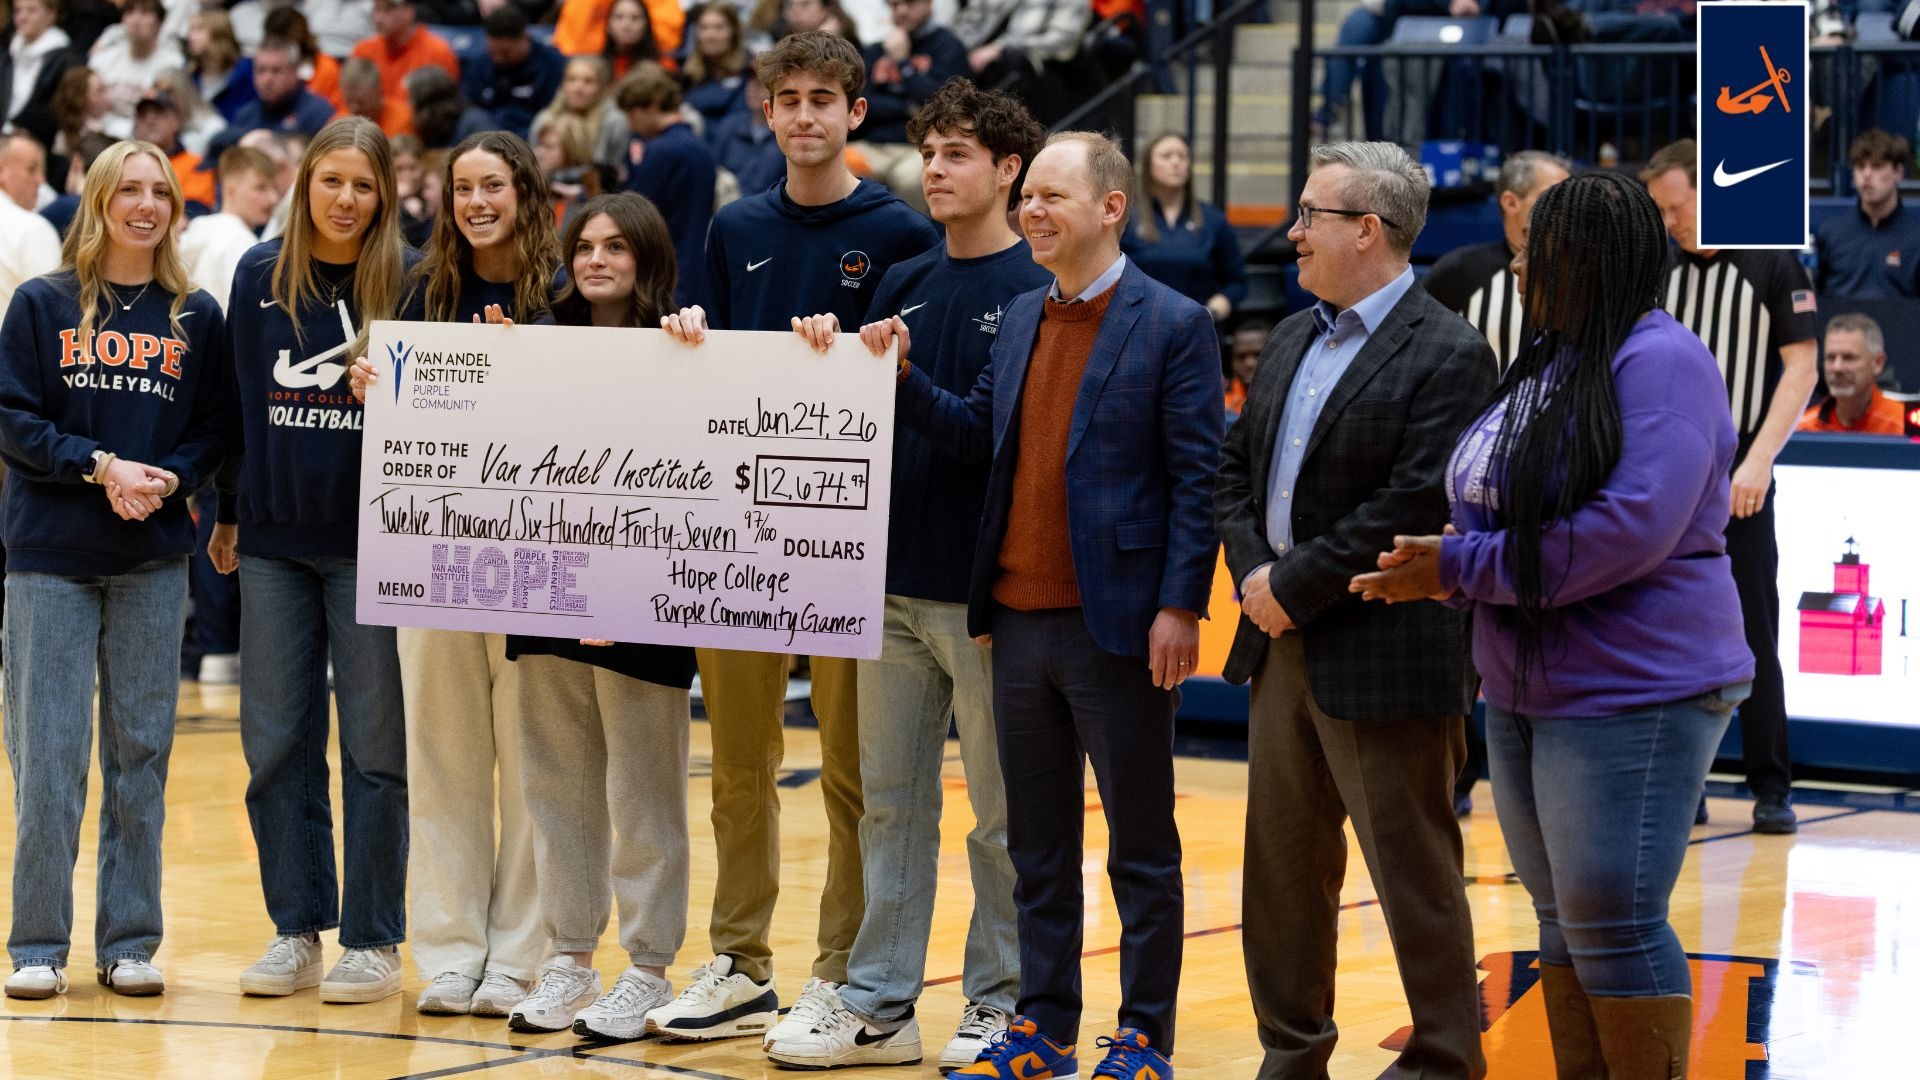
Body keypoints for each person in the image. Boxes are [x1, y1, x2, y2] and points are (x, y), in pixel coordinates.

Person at [1353, 170, 1757, 1080]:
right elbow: (1501, 500)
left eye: (1544, 251)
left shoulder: (1664, 361)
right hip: (1529, 681)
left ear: (1597, 262)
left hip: (1637, 684)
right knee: (1562, 922)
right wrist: (1450, 554)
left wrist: (1455, 568)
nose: (1524, 267)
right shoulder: (1553, 358)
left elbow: (1628, 531)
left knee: (1612, 917)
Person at [863, 129, 1219, 1080]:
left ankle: (1144, 1035)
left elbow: (1198, 480)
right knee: (1040, 850)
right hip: (1015, 621)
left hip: (1121, 629)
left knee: (1142, 849)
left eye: (1054, 196)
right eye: (1032, 198)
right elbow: (980, 431)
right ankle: (1045, 1030)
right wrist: (900, 379)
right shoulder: (1022, 316)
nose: (1034, 210)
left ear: (1111, 207)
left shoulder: (1173, 321)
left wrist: (1181, 606)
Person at [647, 29, 939, 1046]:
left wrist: (850, 356)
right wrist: (690, 339)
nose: (807, 115)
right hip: (741, 538)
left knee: (857, 770)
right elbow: (717, 367)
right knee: (739, 761)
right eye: (789, 98)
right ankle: (739, 961)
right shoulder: (734, 228)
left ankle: (845, 971)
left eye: (826, 97)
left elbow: (911, 386)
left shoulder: (903, 232)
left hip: (855, 545)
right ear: (764, 111)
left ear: (858, 112)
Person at [764, 77, 1046, 1073]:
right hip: (881, 586)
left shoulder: (1033, 292)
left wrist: (898, 377)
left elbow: (984, 437)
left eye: (959, 154)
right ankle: (880, 1004)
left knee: (1003, 817)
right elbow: (854, 421)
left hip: (983, 598)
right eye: (928, 153)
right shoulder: (904, 281)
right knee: (891, 802)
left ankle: (998, 1001)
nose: (935, 169)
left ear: (1010, 170)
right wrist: (820, 367)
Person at [1214, 141, 1492, 1080]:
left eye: (1309, 216)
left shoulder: (1452, 348)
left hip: (1383, 646)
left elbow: (1415, 501)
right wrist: (1258, 574)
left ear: (1367, 229)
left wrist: (1288, 586)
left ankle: (1447, 1061)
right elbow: (1233, 471)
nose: (1292, 233)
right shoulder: (1293, 334)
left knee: (1412, 875)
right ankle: (1291, 1056)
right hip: (1280, 642)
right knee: (1282, 877)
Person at [0, 138, 229, 1001]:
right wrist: (100, 466)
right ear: (98, 200)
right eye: (128, 189)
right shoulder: (40, 303)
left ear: (173, 208)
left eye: (159, 192)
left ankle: (130, 938)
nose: (144, 205)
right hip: (50, 556)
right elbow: (12, 421)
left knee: (142, 756)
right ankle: (38, 944)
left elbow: (214, 430)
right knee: (49, 758)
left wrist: (170, 477)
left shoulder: (195, 315)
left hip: (150, 559)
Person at [349, 129, 563, 1020]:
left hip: (539, 557)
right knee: (441, 757)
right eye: (462, 188)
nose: (477, 203)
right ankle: (447, 951)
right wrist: (370, 384)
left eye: (493, 186)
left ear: (525, 192)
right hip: (430, 556)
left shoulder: (562, 293)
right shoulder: (411, 289)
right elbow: (391, 407)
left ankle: (520, 955)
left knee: (534, 760)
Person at [212, 116, 418, 1005]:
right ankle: (295, 927)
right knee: (275, 743)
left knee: (375, 751)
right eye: (330, 181)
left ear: (385, 197)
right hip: (273, 543)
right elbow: (233, 408)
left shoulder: (410, 281)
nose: (345, 200)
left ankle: (372, 939)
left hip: (373, 549)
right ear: (304, 185)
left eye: (363, 186)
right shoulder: (259, 274)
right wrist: (224, 513)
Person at [492, 191, 701, 1039]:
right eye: (584, 245)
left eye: (617, 246)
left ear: (647, 257)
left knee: (646, 791)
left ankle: (648, 968)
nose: (597, 260)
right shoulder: (532, 344)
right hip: (547, 589)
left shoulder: (689, 346)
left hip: (648, 603)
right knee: (556, 784)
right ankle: (569, 959)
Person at [1643, 139, 1818, 835]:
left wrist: (1760, 460)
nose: (1669, 221)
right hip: (1661, 470)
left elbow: (1801, 369)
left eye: (1676, 207)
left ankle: (1772, 785)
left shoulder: (1771, 260)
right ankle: (1685, 785)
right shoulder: (1656, 267)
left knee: (1752, 626)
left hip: (1739, 469)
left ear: (1707, 197)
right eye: (1658, 210)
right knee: (1661, 628)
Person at [1422, 149, 1572, 372]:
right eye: (1552, 197)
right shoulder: (1458, 270)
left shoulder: (1575, 274)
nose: (1566, 208)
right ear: (1511, 203)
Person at [851, 0, 967, 211]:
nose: (902, 10)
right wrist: (909, 107)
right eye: (895, 5)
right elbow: (862, 107)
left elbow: (945, 108)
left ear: (929, 4)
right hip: (874, 145)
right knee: (836, 165)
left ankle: (919, 240)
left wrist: (904, 63)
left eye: (909, 3)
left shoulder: (948, 47)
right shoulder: (876, 51)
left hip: (923, 148)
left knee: (910, 180)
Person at [616, 63, 714, 308]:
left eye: (633, 111)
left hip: (669, 273)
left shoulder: (663, 150)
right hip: (691, 266)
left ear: (654, 103)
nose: (630, 122)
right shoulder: (698, 146)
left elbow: (632, 212)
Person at [1122, 131, 1247, 322]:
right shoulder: (1127, 218)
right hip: (1139, 325)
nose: (1176, 162)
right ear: (1149, 165)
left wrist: (1213, 311)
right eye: (1166, 156)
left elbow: (1237, 281)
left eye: (1183, 156)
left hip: (1196, 326)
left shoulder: (1212, 219)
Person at [1813, 129, 1920, 300]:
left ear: (1898, 172)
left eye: (1877, 166)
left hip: (1900, 324)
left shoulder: (1916, 238)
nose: (1867, 175)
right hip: (1838, 322)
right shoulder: (1831, 233)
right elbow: (1812, 296)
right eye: (1860, 166)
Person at [179, 146, 283, 311]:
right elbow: (242, 316)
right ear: (230, 190)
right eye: (260, 188)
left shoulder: (195, 231)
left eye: (274, 188)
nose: (272, 198)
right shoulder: (239, 242)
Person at [462, 6, 568, 141]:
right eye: (493, 52)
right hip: (486, 135)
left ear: (524, 39)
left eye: (505, 52)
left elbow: (554, 112)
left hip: (532, 135)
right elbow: (470, 104)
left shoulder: (552, 65)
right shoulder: (480, 64)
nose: (498, 58)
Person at [1798, 313, 1910, 435]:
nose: (1837, 368)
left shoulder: (1905, 427)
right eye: (1830, 358)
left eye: (1849, 358)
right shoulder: (1802, 429)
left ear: (1878, 363)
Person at [86, 0, 184, 139]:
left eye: (145, 13)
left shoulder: (172, 64)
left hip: (145, 140)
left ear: (160, 24)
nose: (136, 20)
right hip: (99, 135)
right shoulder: (104, 58)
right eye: (130, 12)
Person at [224, 36, 341, 147]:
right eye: (261, 70)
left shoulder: (318, 114)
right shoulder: (246, 115)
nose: (267, 79)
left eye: (276, 71)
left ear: (294, 71)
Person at [1, 0, 83, 153]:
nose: (22, 17)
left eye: (31, 11)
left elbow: (58, 113)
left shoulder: (66, 62)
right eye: (17, 10)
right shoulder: (7, 54)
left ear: (51, 15)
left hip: (39, 145)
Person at [352, 0, 462, 103]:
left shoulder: (438, 52)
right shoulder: (363, 50)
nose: (378, 18)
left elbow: (441, 109)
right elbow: (349, 102)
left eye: (388, 8)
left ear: (409, 10)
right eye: (376, 8)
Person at [0, 133, 62, 313]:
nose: (41, 180)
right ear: (2, 171)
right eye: (31, 169)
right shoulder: (32, 229)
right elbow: (53, 312)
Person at [533, 56, 629, 170]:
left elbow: (617, 167)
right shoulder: (545, 119)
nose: (578, 88)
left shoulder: (615, 122)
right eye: (572, 79)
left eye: (588, 81)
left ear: (602, 87)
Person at [131, 89, 218, 211]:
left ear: (176, 121)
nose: (150, 121)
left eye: (159, 113)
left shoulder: (197, 164)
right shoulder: (125, 164)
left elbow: (195, 211)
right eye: (143, 115)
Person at [680, 2, 751, 133]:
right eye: (704, 28)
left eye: (719, 28)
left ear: (733, 32)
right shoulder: (686, 75)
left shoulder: (749, 72)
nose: (710, 35)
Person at [710, 71, 783, 197]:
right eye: (750, 81)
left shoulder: (787, 133)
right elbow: (712, 170)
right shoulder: (728, 126)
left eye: (761, 84)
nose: (753, 88)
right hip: (726, 206)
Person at [189, 9, 258, 125]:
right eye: (191, 30)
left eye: (199, 29)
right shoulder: (191, 76)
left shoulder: (247, 71)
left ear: (218, 32)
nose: (191, 36)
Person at [407, 66, 493, 151]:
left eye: (410, 97)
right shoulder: (429, 129)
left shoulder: (474, 122)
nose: (408, 103)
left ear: (424, 100)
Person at [1223, 316, 1269, 419]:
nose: (1249, 363)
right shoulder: (1218, 401)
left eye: (1258, 355)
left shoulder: (1287, 398)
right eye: (1240, 356)